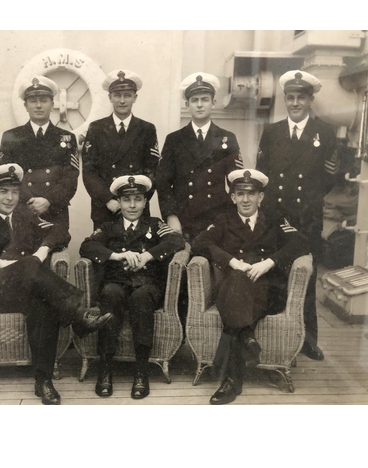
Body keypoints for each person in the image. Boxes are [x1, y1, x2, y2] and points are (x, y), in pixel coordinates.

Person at [0, 164, 111, 405]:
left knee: (43, 303)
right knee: (30, 267)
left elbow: (59, 232)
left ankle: (43, 381)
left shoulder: (26, 216)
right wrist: (0, 264)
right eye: (3, 191)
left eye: (14, 191)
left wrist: (43, 251)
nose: (10, 197)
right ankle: (79, 315)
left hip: (26, 289)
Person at [191, 169, 309, 405]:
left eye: (251, 193)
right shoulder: (224, 220)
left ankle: (234, 368)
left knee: (236, 295)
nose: (246, 199)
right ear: (233, 197)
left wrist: (269, 262)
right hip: (235, 289)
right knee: (236, 281)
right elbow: (199, 243)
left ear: (261, 197)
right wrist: (232, 262)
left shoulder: (275, 219)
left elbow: (301, 242)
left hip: (267, 291)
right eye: (240, 193)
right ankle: (242, 352)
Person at [256, 70, 339, 361]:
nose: (294, 103)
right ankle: (275, 335)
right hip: (276, 215)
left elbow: (329, 179)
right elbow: (262, 176)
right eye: (289, 98)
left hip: (307, 218)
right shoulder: (272, 131)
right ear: (285, 100)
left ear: (310, 100)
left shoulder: (325, 133)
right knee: (277, 274)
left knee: (308, 277)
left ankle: (308, 340)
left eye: (300, 98)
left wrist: (309, 203)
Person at [80, 175, 185, 399]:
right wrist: (117, 256)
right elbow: (86, 247)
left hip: (147, 285)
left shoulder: (155, 224)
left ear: (146, 202)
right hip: (117, 282)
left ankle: (141, 371)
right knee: (109, 293)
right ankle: (105, 369)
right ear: (118, 202)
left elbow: (177, 241)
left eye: (138, 199)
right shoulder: (108, 227)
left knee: (141, 298)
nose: (133, 205)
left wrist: (148, 255)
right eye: (127, 200)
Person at [156, 72, 244, 242]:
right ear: (187, 104)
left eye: (204, 99)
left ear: (213, 103)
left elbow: (236, 182)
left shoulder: (227, 137)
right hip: (184, 218)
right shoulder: (174, 139)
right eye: (195, 100)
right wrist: (171, 215)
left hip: (217, 216)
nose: (200, 105)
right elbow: (163, 182)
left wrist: (231, 216)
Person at [0, 75, 79, 231]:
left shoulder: (66, 137)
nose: (39, 106)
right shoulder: (11, 137)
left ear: (52, 104)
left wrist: (48, 200)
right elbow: (6, 177)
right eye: (33, 101)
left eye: (44, 100)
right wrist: (30, 201)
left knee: (55, 251)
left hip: (55, 211)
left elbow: (70, 178)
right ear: (26, 105)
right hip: (21, 210)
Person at [82, 69, 159, 228]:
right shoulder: (96, 128)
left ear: (135, 98)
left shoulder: (146, 129)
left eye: (127, 95)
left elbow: (152, 170)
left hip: (135, 209)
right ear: (110, 97)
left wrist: (136, 202)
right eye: (117, 95)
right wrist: (107, 200)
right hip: (105, 208)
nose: (122, 100)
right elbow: (89, 171)